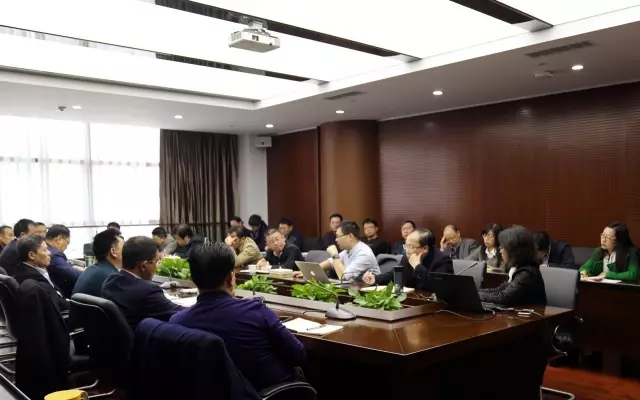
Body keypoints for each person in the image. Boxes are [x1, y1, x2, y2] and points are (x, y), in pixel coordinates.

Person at [170, 242, 306, 391]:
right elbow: (298, 354)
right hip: (268, 392)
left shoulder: (177, 322)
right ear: (230, 278)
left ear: (193, 279)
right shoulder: (255, 310)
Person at [101, 236, 184, 331]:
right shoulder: (147, 291)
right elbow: (179, 314)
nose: (156, 267)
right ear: (144, 266)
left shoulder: (109, 281)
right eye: (156, 262)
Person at [477, 226, 547, 306]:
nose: (500, 250)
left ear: (514, 250)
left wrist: (475, 295)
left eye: (503, 247)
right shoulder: (516, 268)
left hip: (532, 313)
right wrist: (474, 292)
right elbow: (499, 290)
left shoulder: (527, 274)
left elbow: (503, 297)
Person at [363, 228, 452, 289]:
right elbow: (394, 274)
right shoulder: (407, 257)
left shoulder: (443, 260)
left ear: (425, 248)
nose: (407, 251)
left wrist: (417, 266)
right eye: (406, 246)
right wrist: (375, 279)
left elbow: (437, 287)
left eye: (411, 246)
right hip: (411, 301)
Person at [294, 220, 380, 282]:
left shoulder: (364, 253)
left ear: (350, 236)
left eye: (338, 236)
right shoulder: (348, 250)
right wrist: (308, 272)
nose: (336, 240)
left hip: (369, 294)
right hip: (353, 289)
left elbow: (343, 277)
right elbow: (330, 262)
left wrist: (335, 254)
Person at [72, 229, 124, 297]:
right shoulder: (113, 278)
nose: (128, 250)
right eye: (124, 247)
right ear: (113, 252)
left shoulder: (91, 269)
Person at [45, 224, 82, 298]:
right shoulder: (54, 254)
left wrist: (74, 267)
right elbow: (74, 275)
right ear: (59, 239)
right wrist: (89, 273)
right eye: (67, 242)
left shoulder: (45, 248)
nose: (66, 247)